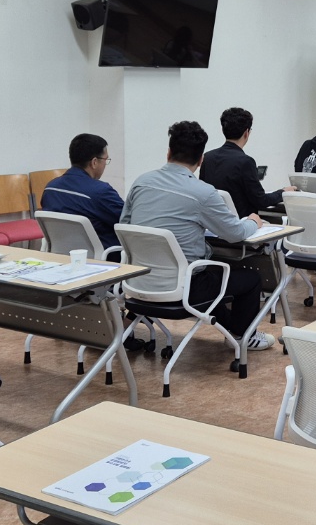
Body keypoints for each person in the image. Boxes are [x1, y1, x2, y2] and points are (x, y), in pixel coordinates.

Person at [121, 120, 274, 351]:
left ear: (168, 152)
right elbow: (235, 233)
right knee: (249, 279)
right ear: (201, 159)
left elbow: (125, 226)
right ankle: (243, 338)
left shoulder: (141, 183)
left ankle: (232, 329)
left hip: (137, 281)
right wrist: (253, 221)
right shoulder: (202, 192)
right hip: (183, 287)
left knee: (213, 277)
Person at [200, 107, 294, 216]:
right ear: (247, 133)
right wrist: (283, 192)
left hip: (213, 225)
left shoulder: (207, 157)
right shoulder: (245, 162)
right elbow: (261, 201)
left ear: (223, 130)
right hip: (242, 225)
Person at [40, 133, 125, 249]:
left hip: (63, 256)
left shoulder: (50, 188)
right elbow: (127, 221)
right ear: (94, 162)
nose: (105, 164)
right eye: (106, 159)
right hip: (104, 259)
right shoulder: (100, 192)